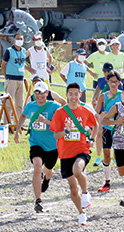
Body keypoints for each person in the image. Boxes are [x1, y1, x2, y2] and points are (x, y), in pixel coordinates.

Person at [50, 82, 98, 225]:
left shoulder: (85, 111)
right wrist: (66, 131)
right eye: (70, 94)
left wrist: (92, 139)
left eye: (76, 94)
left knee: (77, 170)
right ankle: (81, 213)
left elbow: (95, 125)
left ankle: (85, 193)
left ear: (80, 95)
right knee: (72, 188)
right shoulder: (60, 112)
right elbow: (56, 135)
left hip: (82, 149)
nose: (73, 97)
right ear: (66, 95)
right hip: (65, 153)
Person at [14, 82, 60, 213]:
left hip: (52, 146)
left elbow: (59, 125)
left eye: (42, 92)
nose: (39, 95)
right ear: (34, 94)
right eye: (36, 92)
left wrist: (46, 122)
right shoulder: (30, 106)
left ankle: (47, 178)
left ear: (47, 93)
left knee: (48, 170)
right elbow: (23, 115)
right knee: (37, 168)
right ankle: (38, 200)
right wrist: (17, 131)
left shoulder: (54, 107)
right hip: (36, 143)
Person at [94, 70, 123, 192]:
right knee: (107, 156)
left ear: (119, 83)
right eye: (111, 81)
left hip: (119, 129)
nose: (113, 84)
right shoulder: (103, 96)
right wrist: (101, 116)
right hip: (107, 128)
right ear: (108, 81)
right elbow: (96, 113)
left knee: (121, 155)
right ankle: (107, 181)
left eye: (116, 82)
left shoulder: (123, 95)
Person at [1, 32, 26, 122]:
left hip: (21, 79)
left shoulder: (24, 51)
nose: (19, 40)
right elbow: (3, 65)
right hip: (11, 79)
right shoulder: (9, 51)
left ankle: (18, 124)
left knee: (19, 103)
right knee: (8, 103)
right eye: (18, 38)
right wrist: (6, 76)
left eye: (21, 39)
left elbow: (23, 64)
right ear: (14, 40)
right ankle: (6, 123)